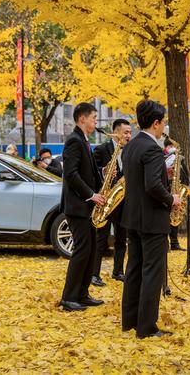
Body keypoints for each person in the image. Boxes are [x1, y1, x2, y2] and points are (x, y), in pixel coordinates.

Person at [121, 100, 181, 339]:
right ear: (156, 123)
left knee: (134, 269)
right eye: (163, 121)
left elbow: (139, 179)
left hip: (132, 217)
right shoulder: (153, 149)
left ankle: (130, 321)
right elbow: (153, 186)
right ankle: (147, 327)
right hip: (152, 220)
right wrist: (172, 199)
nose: (164, 125)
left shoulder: (131, 146)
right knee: (152, 272)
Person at [60, 103, 105, 312]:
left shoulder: (83, 141)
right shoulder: (74, 141)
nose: (96, 121)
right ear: (82, 119)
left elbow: (86, 172)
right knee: (82, 250)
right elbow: (70, 174)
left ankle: (82, 293)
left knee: (91, 249)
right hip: (78, 206)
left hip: (86, 207)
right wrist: (91, 195)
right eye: (94, 118)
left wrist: (103, 175)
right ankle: (69, 297)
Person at [91, 119, 132, 286]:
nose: (129, 136)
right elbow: (92, 172)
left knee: (122, 239)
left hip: (123, 200)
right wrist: (104, 171)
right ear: (115, 132)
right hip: (106, 200)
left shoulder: (129, 151)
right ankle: (94, 274)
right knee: (101, 239)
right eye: (125, 132)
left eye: (130, 133)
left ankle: (118, 272)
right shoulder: (101, 149)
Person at [162, 136, 188, 251]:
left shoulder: (180, 159)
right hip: (167, 191)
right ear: (166, 147)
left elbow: (185, 174)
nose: (172, 148)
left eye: (173, 146)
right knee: (166, 218)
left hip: (178, 190)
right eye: (170, 146)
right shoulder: (162, 158)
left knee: (176, 216)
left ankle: (174, 242)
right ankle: (166, 243)